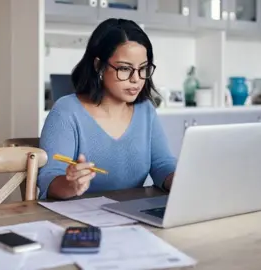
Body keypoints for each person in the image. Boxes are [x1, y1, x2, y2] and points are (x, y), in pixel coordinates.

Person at [37, 18, 177, 200]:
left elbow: (162, 164)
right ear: (99, 66)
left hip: (131, 217)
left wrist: (180, 179)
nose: (136, 79)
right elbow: (49, 179)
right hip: (77, 220)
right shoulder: (67, 111)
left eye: (143, 69)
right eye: (125, 69)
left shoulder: (145, 110)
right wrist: (70, 184)